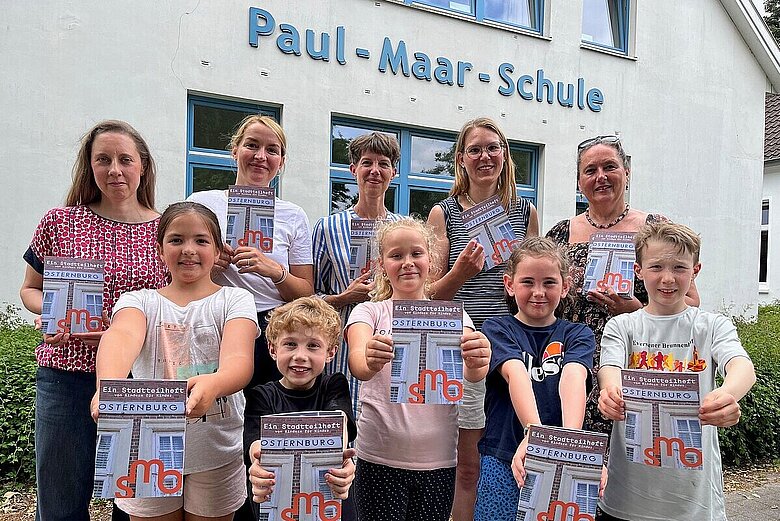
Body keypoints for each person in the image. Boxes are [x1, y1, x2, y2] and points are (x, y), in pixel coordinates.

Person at [19, 120, 167, 521]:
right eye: (103, 159)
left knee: (138, 504)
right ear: (90, 166)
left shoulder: (166, 231)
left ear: (143, 166)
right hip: (66, 374)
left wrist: (122, 333)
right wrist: (53, 313)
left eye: (125, 159)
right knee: (61, 501)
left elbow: (176, 303)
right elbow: (30, 289)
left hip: (138, 381)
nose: (114, 170)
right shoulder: (60, 221)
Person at [92, 202, 258, 520]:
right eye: (176, 240)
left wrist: (215, 383)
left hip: (216, 449)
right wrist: (107, 388)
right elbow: (121, 336)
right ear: (159, 249)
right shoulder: (138, 300)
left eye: (201, 240)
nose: (188, 250)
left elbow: (239, 359)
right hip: (145, 447)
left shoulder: (235, 299)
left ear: (218, 249)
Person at [188, 115, 313, 521]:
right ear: (235, 150)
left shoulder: (293, 215)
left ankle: (261, 510)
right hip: (217, 324)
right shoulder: (205, 202)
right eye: (252, 146)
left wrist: (272, 269)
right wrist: (211, 261)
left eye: (272, 150)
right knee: (214, 424)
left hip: (272, 328)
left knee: (263, 429)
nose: (261, 156)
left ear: (282, 161)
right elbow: (179, 261)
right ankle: (217, 506)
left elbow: (306, 291)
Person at [596, 222, 755, 521]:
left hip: (693, 504)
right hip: (624, 500)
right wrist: (610, 395)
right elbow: (610, 370)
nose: (667, 278)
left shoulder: (711, 326)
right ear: (638, 270)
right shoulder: (622, 325)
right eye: (656, 266)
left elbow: (741, 366)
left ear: (695, 270)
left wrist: (726, 395)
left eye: (679, 268)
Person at [546, 135, 700, 435]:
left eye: (610, 167)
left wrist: (638, 310)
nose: (600, 177)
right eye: (590, 171)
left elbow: (692, 301)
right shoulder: (561, 233)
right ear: (579, 182)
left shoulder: (655, 228)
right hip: (570, 365)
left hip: (635, 362)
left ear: (626, 173)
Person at [427, 116, 539, 520]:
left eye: (493, 147)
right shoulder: (444, 214)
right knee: (464, 463)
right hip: (462, 349)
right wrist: (460, 273)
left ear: (505, 154)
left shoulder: (524, 212)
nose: (485, 156)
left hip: (510, 348)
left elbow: (534, 281)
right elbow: (429, 297)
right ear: (461, 159)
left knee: (504, 454)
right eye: (475, 150)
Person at [346, 217, 491, 521]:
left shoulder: (454, 316)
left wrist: (479, 361)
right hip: (378, 457)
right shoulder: (370, 311)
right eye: (396, 255)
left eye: (416, 254)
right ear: (382, 264)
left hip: (438, 460)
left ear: (431, 259)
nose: (408, 263)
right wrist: (370, 359)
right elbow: (358, 364)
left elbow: (471, 376)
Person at [474, 237, 595, 520]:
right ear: (509, 285)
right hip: (504, 456)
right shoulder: (496, 328)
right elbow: (515, 373)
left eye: (549, 283)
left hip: (560, 461)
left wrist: (569, 446)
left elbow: (573, 379)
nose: (538, 292)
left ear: (565, 287)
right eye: (528, 282)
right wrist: (535, 435)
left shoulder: (578, 334)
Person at [312, 132, 403, 414]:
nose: (375, 171)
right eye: (367, 163)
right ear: (354, 170)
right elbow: (310, 296)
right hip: (340, 341)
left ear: (394, 172)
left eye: (383, 164)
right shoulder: (328, 228)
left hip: (390, 338)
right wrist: (343, 297)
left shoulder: (403, 227)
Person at [244, 296, 358, 521]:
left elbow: (339, 421)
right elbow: (255, 444)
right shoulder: (261, 395)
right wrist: (258, 464)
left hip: (329, 496)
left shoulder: (334, 384)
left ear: (331, 353)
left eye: (313, 346)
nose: (300, 356)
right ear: (273, 349)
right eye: (290, 344)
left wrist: (341, 458)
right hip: (275, 499)